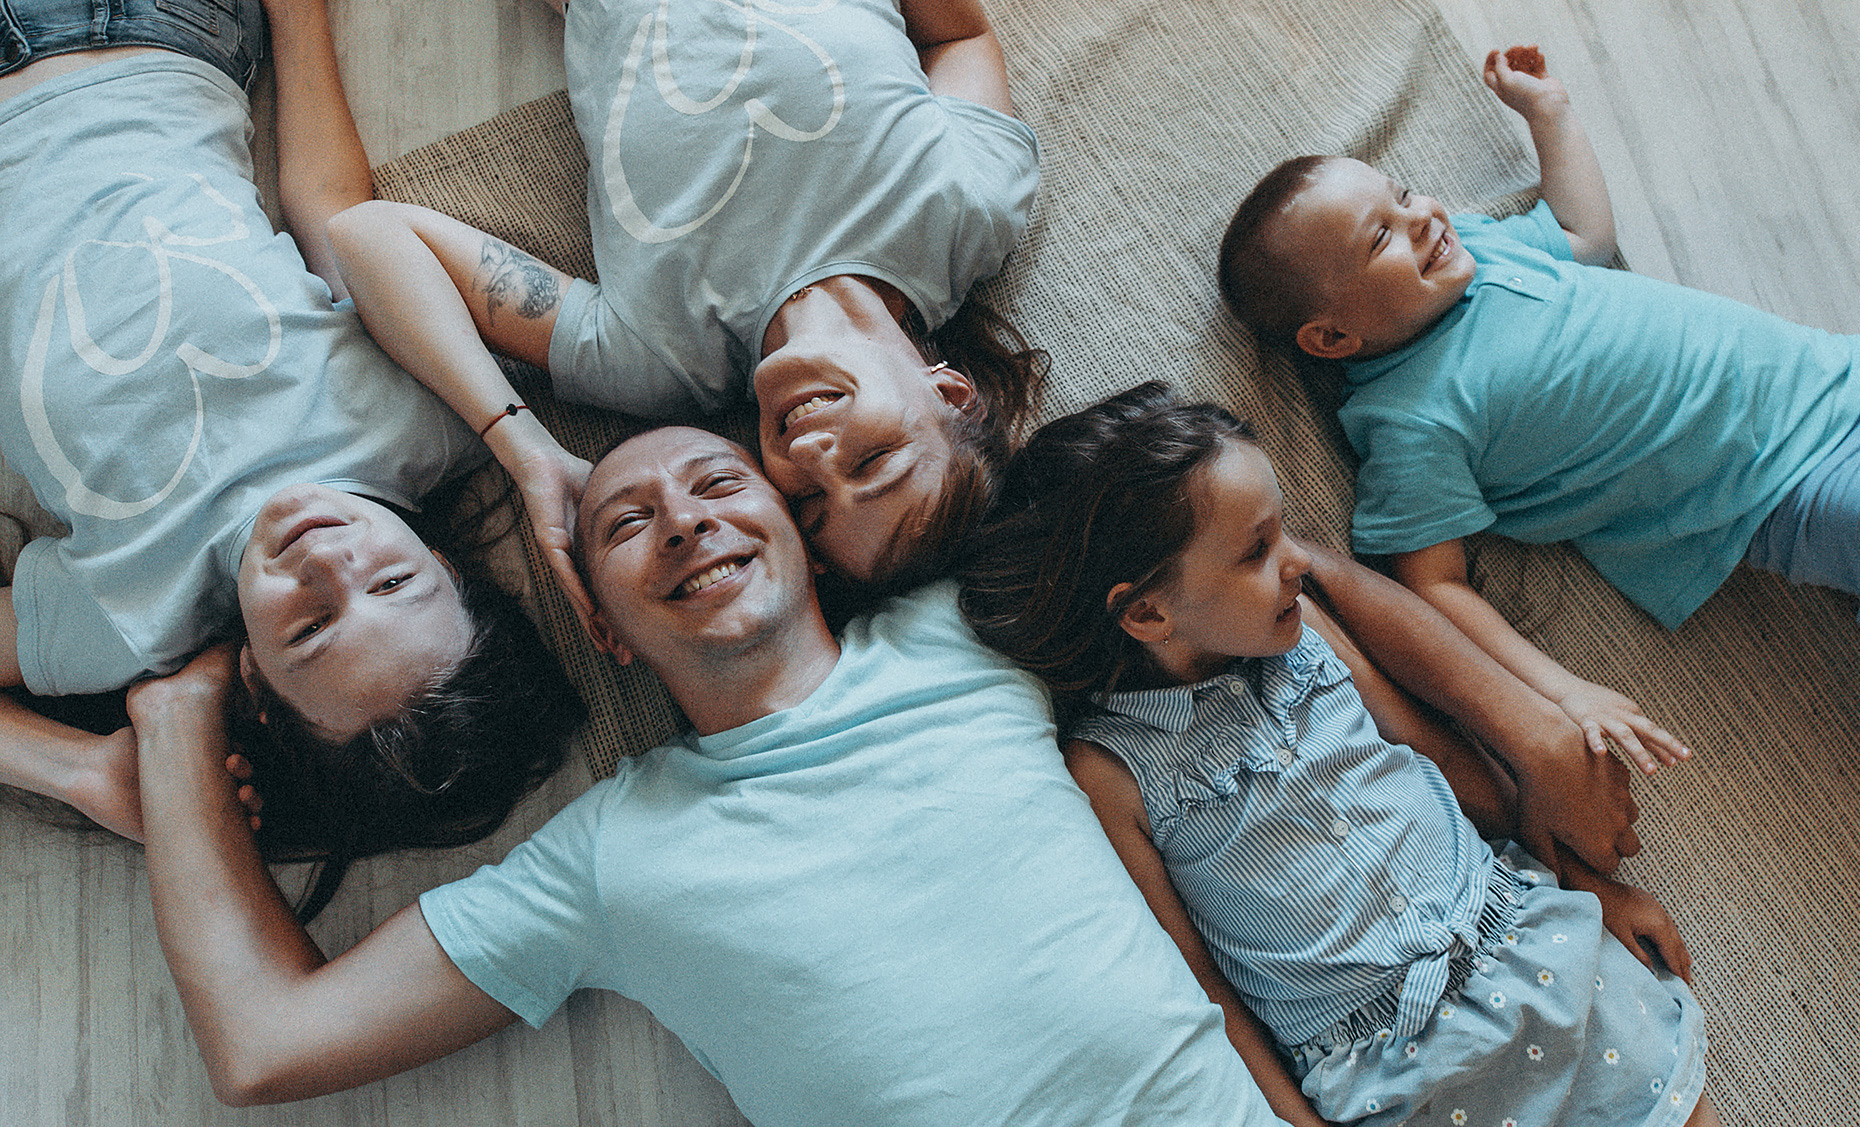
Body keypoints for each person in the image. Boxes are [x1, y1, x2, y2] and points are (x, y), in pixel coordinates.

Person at [134, 424, 1299, 1123]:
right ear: (605, 628)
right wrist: (179, 717)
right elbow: (264, 1042)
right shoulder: (606, 856)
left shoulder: (967, 623)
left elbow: (1201, 514)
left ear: (798, 529)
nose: (687, 523)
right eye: (627, 523)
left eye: (717, 484)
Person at [1218, 41, 1860, 857]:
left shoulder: (1481, 248)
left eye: (1404, 194)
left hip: (1854, 367)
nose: (1425, 216)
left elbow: (1585, 232)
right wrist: (1559, 688)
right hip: (1792, 483)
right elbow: (1430, 586)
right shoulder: (1410, 419)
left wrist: (1552, 114)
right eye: (1381, 238)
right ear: (1331, 336)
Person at [0, 0, 583, 914]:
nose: (326, 556)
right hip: (145, 6)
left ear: (259, 691)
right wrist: (299, 13)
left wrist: (78, 768)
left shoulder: (124, 617)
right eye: (390, 576)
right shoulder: (420, 425)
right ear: (452, 565)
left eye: (313, 625)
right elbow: (335, 212)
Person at [326, 0, 1042, 607]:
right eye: (873, 461)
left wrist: (525, 448)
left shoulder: (660, 357)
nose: (814, 459)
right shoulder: (967, 216)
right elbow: (960, 35)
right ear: (949, 392)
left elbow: (367, 237)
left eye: (808, 502)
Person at [955, 383, 1712, 1127]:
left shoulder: (1305, 633)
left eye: (1282, 531)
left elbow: (1434, 758)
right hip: (1393, 1069)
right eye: (1257, 550)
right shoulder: (1111, 773)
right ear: (1149, 612)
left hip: (1527, 948)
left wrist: (1591, 886)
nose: (1296, 563)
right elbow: (1201, 984)